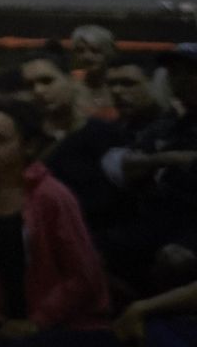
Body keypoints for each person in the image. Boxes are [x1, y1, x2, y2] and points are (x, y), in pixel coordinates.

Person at [0, 96, 122, 347]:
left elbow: (84, 275)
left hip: (74, 326)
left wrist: (37, 322)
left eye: (1, 139)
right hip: (11, 322)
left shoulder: (51, 197)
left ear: (28, 145)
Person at [49, 56, 197, 287]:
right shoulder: (164, 126)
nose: (117, 91)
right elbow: (124, 169)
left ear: (153, 84)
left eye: (128, 83)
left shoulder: (167, 123)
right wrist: (165, 159)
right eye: (113, 84)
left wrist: (155, 161)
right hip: (146, 224)